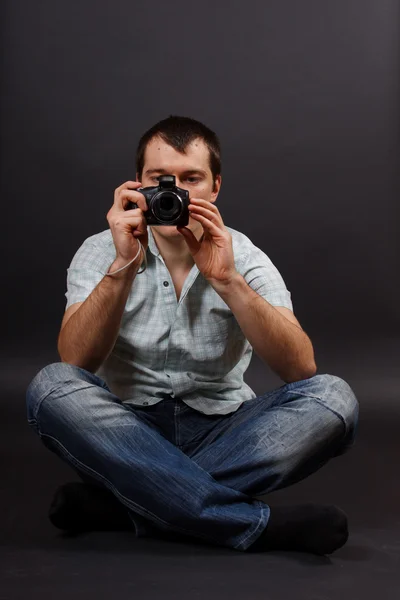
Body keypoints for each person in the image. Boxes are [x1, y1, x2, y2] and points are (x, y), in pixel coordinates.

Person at [26, 115, 359, 554]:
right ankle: (250, 524)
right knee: (51, 386)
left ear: (215, 187)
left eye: (191, 178)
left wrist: (228, 281)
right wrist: (123, 265)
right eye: (160, 179)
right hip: (125, 428)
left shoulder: (244, 255)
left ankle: (127, 504)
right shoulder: (102, 249)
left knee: (334, 398)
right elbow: (76, 362)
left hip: (224, 429)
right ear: (137, 185)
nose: (174, 192)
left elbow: (300, 367)